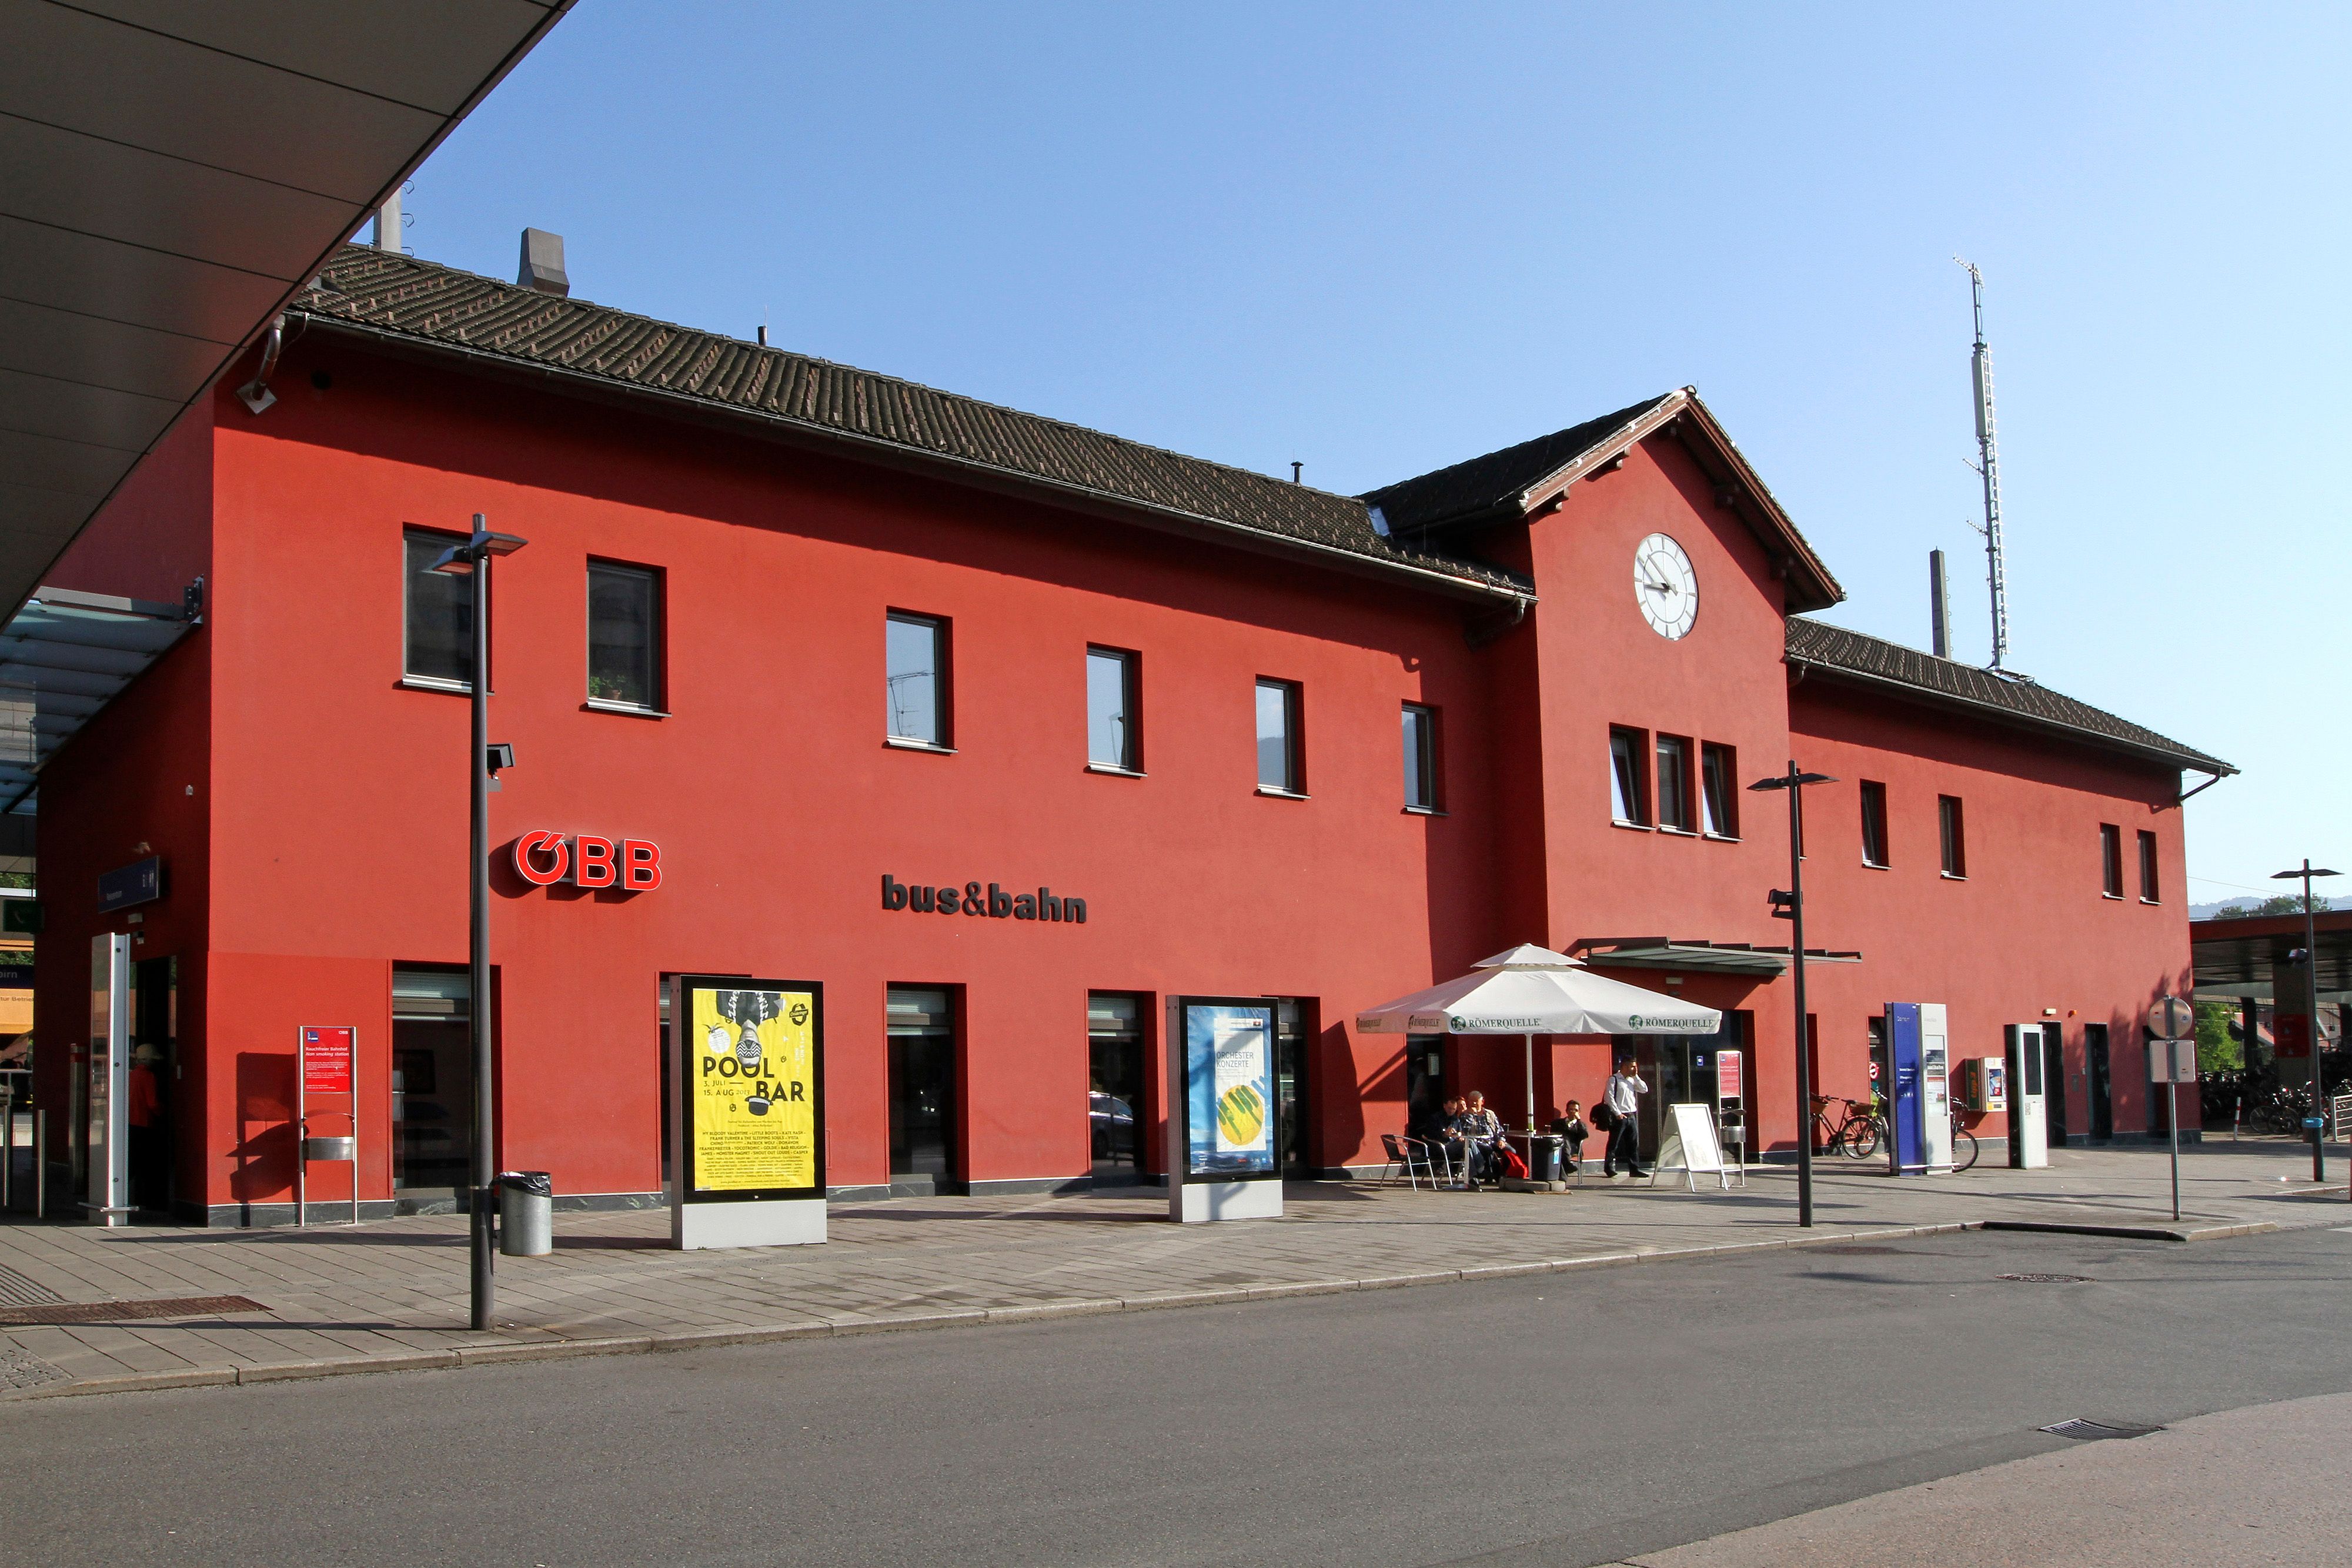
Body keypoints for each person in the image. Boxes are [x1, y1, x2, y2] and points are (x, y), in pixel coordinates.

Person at [1602, 1058, 1648, 1178]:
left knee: (1633, 1144)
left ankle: (1634, 1169)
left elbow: (1644, 1089)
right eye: (1632, 1067)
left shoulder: (1632, 1080)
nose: (1634, 1069)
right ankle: (1609, 1168)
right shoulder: (1614, 1079)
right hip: (1620, 1116)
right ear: (1625, 1067)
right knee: (1614, 1143)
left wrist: (1636, 1077)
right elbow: (1609, 1097)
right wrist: (1617, 1113)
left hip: (1631, 1115)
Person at [1456, 1090, 1506, 1188]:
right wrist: (1471, 1115)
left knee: (1511, 1150)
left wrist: (1501, 1140)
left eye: (1476, 1101)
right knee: (1486, 1149)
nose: (1474, 1103)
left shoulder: (1490, 1114)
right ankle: (1485, 1173)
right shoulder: (1465, 1115)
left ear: (1482, 1101)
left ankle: (1504, 1175)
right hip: (1477, 1142)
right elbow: (1465, 1131)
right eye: (1471, 1101)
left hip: (1492, 1140)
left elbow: (1499, 1130)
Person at [1550, 1099, 1589, 1174]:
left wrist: (1579, 1121)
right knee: (1564, 1141)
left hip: (1574, 1147)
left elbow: (1585, 1135)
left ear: (1579, 1112)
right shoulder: (1558, 1123)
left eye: (1576, 1110)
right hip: (1559, 1146)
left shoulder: (1581, 1125)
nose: (1573, 1112)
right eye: (1571, 1110)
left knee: (1565, 1141)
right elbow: (1553, 1133)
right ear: (1567, 1111)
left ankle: (1567, 1167)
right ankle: (1567, 1166)